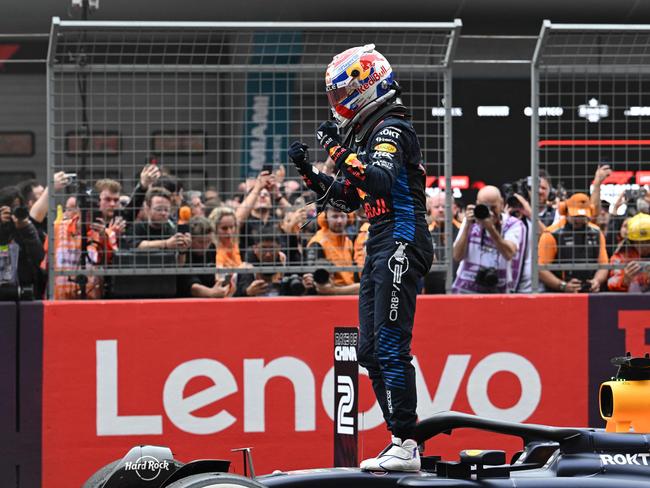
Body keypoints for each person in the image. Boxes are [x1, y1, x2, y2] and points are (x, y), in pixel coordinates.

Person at [288, 44, 433, 471]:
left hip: (402, 240)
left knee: (389, 346)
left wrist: (335, 150)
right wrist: (308, 172)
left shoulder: (391, 129)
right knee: (369, 352)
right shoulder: (369, 133)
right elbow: (351, 196)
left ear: (364, 85)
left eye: (341, 95)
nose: (336, 106)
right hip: (381, 242)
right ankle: (401, 441)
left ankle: (406, 442)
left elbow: (380, 180)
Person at [452, 185, 526, 294]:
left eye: (493, 207)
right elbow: (457, 256)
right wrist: (467, 225)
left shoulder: (513, 224)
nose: (489, 211)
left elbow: (509, 254)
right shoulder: (470, 221)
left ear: (501, 203)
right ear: (477, 203)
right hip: (466, 289)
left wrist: (490, 228)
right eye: (485, 206)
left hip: (498, 291)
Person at [538, 193, 609, 293]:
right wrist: (562, 285)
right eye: (575, 216)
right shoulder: (551, 234)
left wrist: (596, 281)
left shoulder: (596, 233)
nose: (579, 220)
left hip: (589, 294)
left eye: (583, 216)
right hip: (558, 295)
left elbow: (603, 265)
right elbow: (541, 269)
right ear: (565, 211)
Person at [0, 186, 45, 299]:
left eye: (16, 207)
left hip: (25, 289)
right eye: (10, 207)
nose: (13, 211)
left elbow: (38, 257)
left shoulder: (26, 227)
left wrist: (26, 228)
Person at [176, 216, 234, 298]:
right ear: (190, 239)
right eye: (200, 242)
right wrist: (211, 293)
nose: (205, 246)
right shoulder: (184, 253)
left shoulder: (211, 248)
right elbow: (191, 285)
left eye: (208, 242)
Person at [306, 208, 360, 295]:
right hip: (328, 298)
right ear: (325, 218)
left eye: (342, 216)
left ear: (348, 217)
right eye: (335, 216)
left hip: (351, 294)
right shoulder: (317, 242)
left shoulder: (349, 240)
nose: (339, 221)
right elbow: (319, 285)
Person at [607, 213, 650, 293]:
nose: (644, 245)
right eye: (640, 242)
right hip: (630, 303)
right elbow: (611, 284)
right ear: (631, 241)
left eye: (648, 241)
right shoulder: (620, 257)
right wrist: (625, 279)